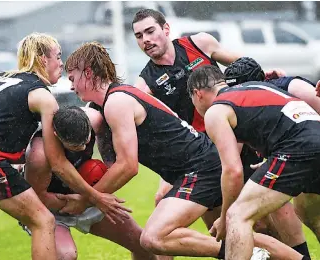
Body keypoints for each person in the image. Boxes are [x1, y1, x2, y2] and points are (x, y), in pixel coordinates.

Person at [57, 41, 308, 260]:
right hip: (195, 167)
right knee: (233, 228)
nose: (71, 87)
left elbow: (128, 166)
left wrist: (87, 198)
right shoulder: (113, 101)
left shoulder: (117, 102)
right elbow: (115, 163)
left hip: (200, 168)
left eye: (72, 78)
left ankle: (241, 252)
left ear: (88, 73)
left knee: (154, 237)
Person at [132, 8, 308, 256]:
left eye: (150, 31)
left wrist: (267, 74)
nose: (145, 40)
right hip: (204, 151)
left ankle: (298, 254)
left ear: (166, 29)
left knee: (275, 209)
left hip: (239, 133)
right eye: (139, 36)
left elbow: (242, 66)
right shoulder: (145, 83)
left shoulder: (199, 43)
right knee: (176, 203)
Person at [0, 33, 129, 259]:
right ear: (43, 59)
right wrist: (95, 197)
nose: (61, 64)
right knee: (43, 220)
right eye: (58, 57)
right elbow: (58, 162)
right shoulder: (42, 95)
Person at [187, 65, 320, 259]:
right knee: (312, 216)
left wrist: (224, 217)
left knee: (237, 216)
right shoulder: (255, 87)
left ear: (197, 94)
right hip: (314, 136)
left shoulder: (215, 110)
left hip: (297, 147)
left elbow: (233, 170)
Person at [22, 105, 163, 260]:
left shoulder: (95, 119)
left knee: (141, 243)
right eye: (76, 146)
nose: (83, 147)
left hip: (88, 198)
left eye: (86, 141)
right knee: (65, 255)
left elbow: (103, 136)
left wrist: (108, 165)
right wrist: (79, 202)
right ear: (56, 136)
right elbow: (37, 198)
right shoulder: (38, 156)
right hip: (51, 209)